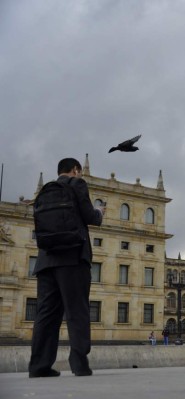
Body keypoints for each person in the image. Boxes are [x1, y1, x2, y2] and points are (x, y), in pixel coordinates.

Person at [28, 158, 104, 378]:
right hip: (72, 257)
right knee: (76, 310)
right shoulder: (77, 184)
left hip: (46, 259)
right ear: (76, 170)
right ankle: (79, 364)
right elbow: (91, 217)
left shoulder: (45, 191)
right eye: (78, 172)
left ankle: (39, 366)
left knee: (46, 314)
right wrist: (99, 211)